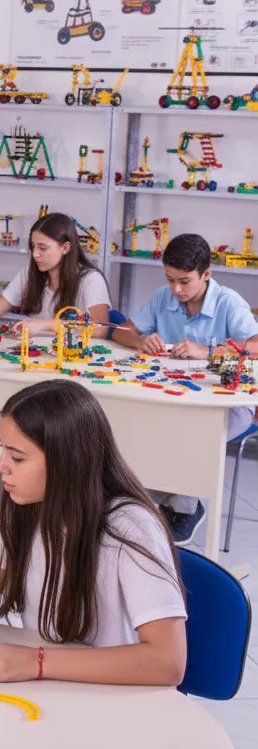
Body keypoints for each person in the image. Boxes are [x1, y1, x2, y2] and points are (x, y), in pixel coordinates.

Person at [0, 380, 186, 685]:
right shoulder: (22, 504)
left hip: (110, 697)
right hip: (50, 685)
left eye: (18, 457)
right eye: (3, 450)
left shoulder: (131, 527)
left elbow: (167, 661)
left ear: (68, 461)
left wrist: (36, 661)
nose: (0, 467)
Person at [112, 233, 258, 543]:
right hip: (172, 395)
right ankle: (142, 499)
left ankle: (182, 507)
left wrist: (207, 351)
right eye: (170, 280)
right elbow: (122, 331)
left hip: (229, 403)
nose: (176, 289)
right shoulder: (162, 297)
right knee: (135, 422)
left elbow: (256, 347)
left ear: (207, 274)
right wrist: (139, 340)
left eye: (184, 281)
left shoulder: (228, 302)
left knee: (191, 431)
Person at [0, 212, 111, 337]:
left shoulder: (91, 280)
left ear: (65, 248)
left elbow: (100, 329)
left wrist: (47, 325)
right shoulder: (29, 273)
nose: (35, 253)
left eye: (43, 248)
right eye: (33, 246)